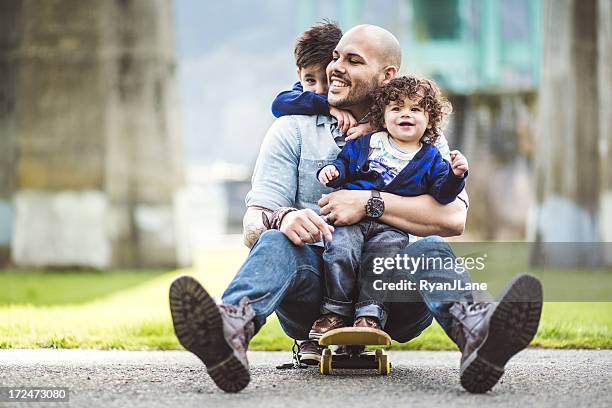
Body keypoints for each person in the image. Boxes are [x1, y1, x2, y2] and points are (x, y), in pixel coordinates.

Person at [168, 24, 542, 395]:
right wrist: (285, 218)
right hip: (313, 296)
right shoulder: (291, 130)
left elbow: (453, 218)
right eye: (335, 58)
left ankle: (480, 335)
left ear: (387, 75)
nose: (335, 68)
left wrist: (369, 203)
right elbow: (253, 221)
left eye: (352, 60)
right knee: (274, 241)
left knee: (430, 250)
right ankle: (227, 331)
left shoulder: (421, 134)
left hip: (392, 292)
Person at [309, 75, 469, 340]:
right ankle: (334, 312)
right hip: (351, 221)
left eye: (415, 109)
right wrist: (332, 171)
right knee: (340, 253)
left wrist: (455, 175)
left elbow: (442, 194)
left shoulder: (430, 157)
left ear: (430, 120)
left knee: (380, 265)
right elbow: (345, 163)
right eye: (396, 108)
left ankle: (369, 316)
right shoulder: (367, 143)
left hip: (391, 226)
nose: (405, 114)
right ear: (382, 118)